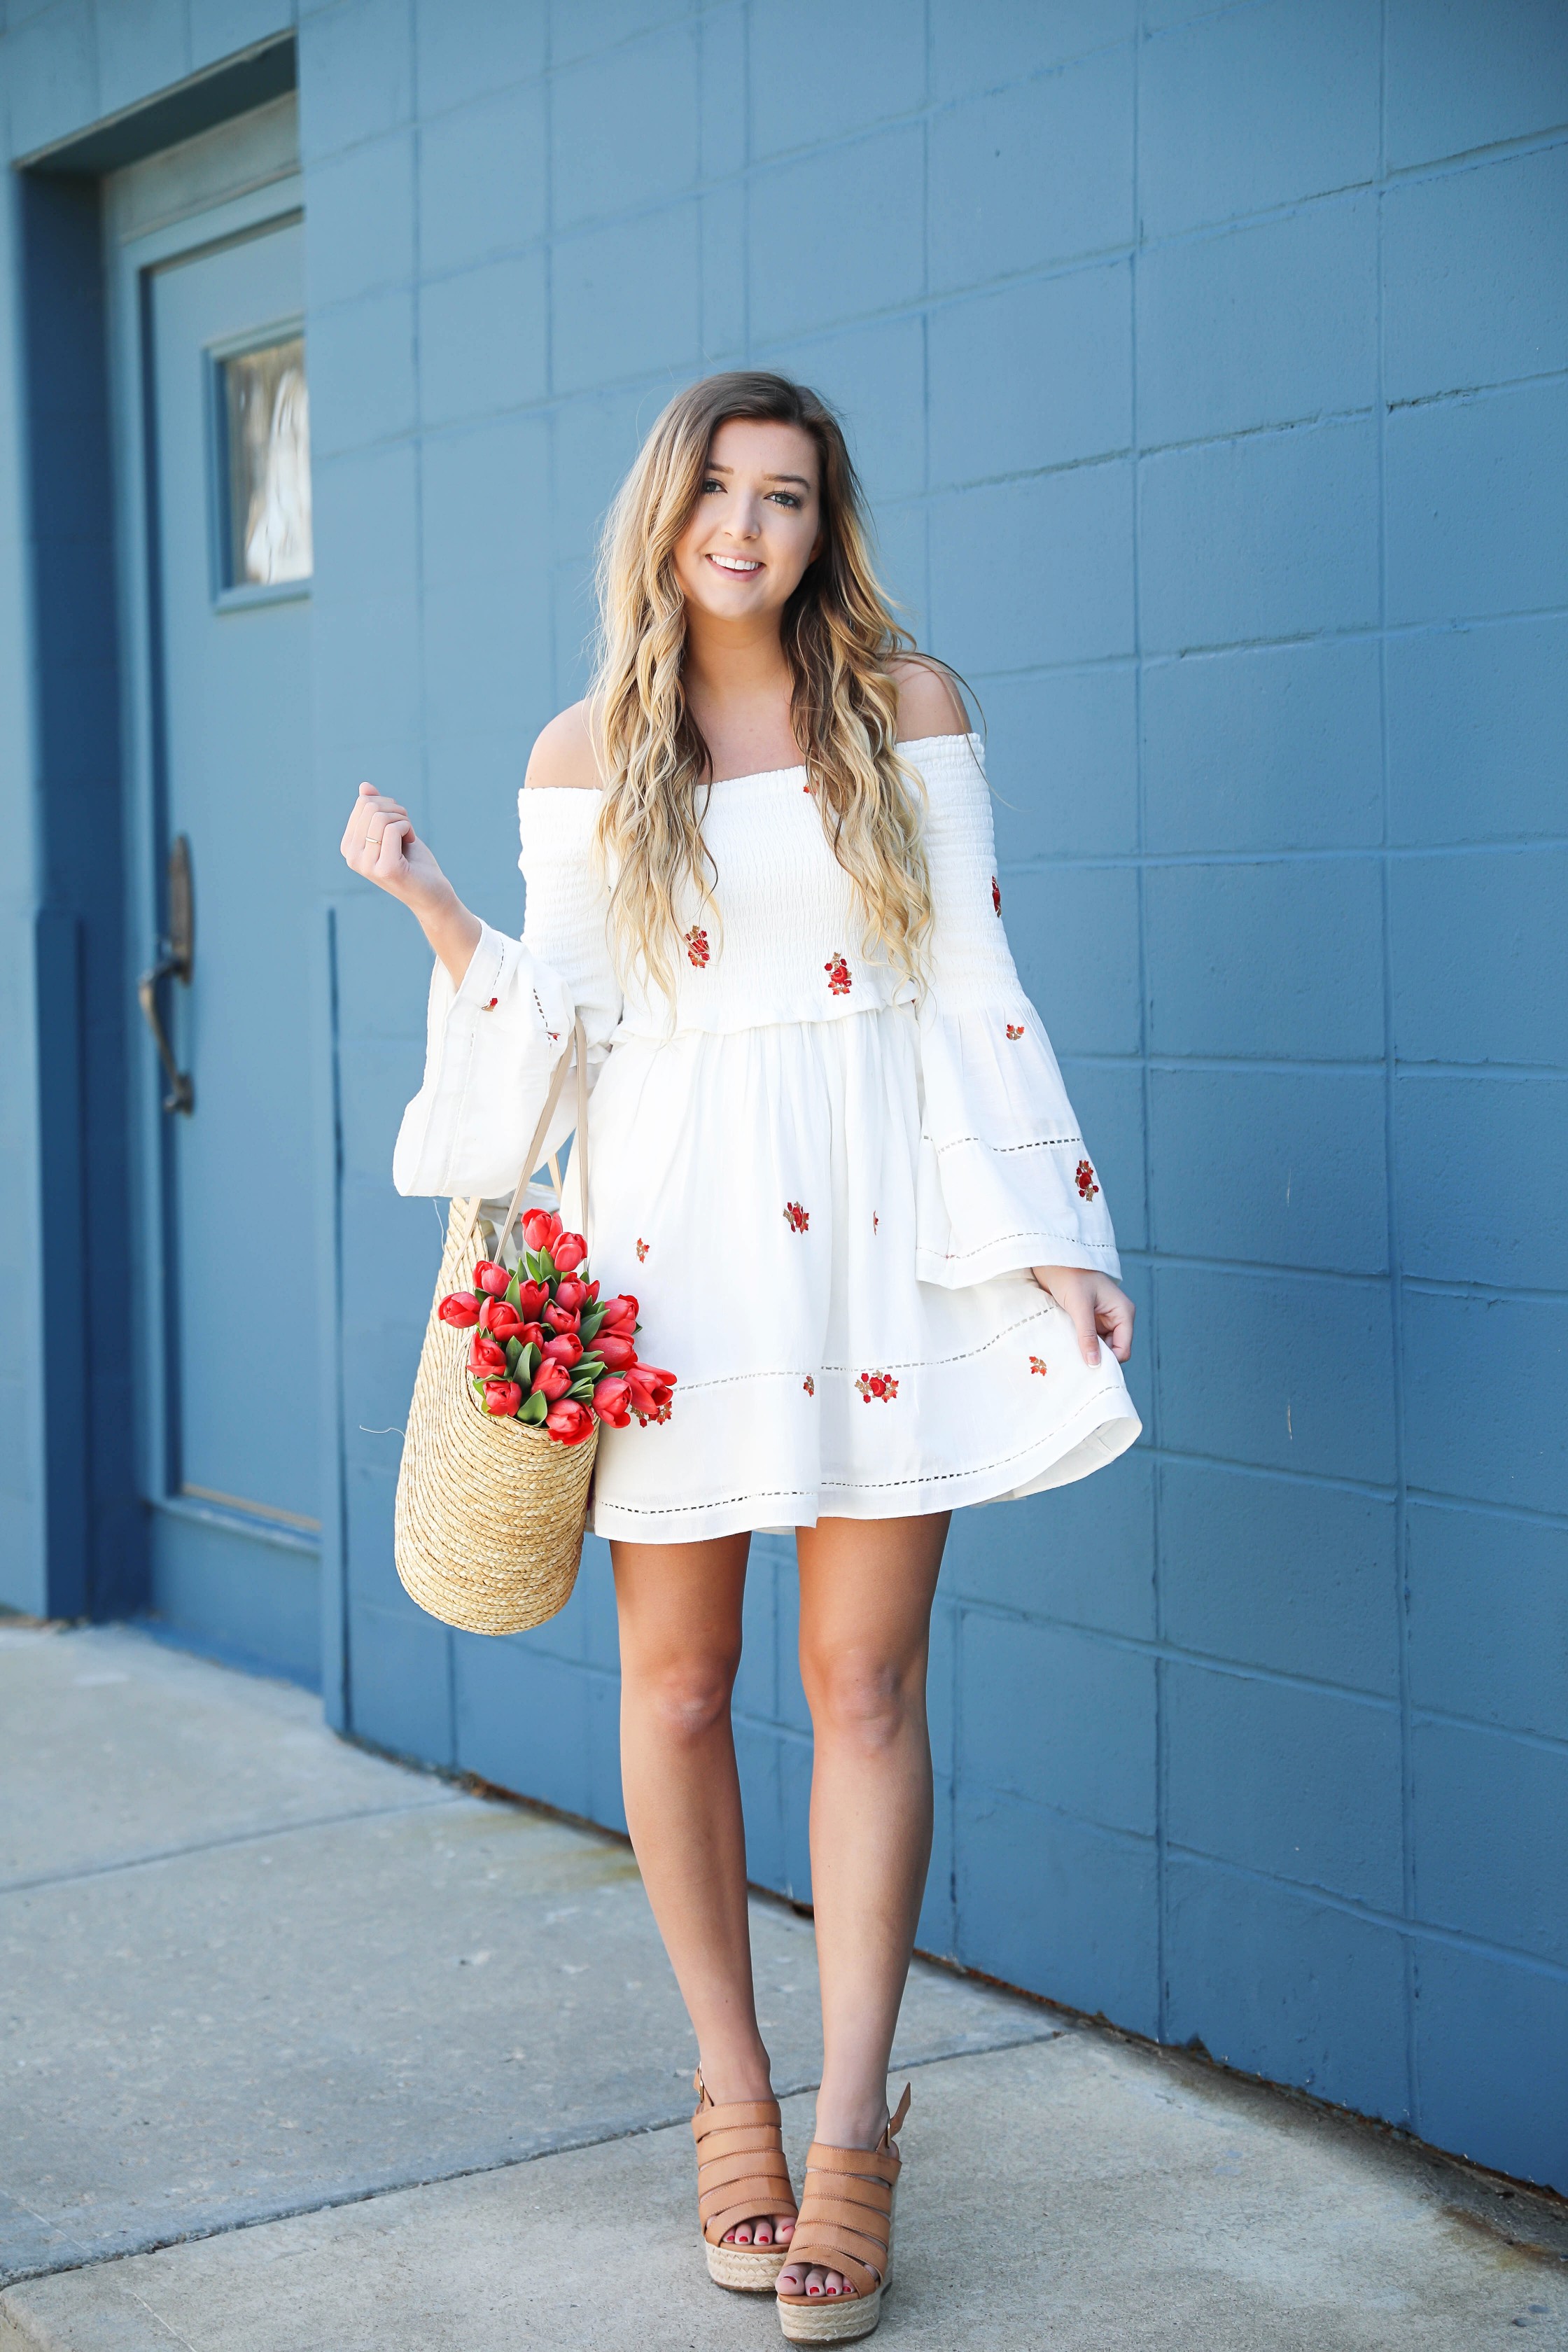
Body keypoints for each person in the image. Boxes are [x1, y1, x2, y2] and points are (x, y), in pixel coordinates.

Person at [341, 371, 1138, 2342]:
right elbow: (557, 1034)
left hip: (879, 1249)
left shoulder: (909, 711)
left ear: (822, 525)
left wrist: (1056, 1243)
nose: (746, 526)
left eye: (786, 496)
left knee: (863, 1687)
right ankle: (733, 2104)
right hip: (668, 1261)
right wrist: (432, 901)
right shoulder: (585, 746)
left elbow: (976, 990)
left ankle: (857, 2131)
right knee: (678, 1694)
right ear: (664, 512)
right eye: (717, 487)